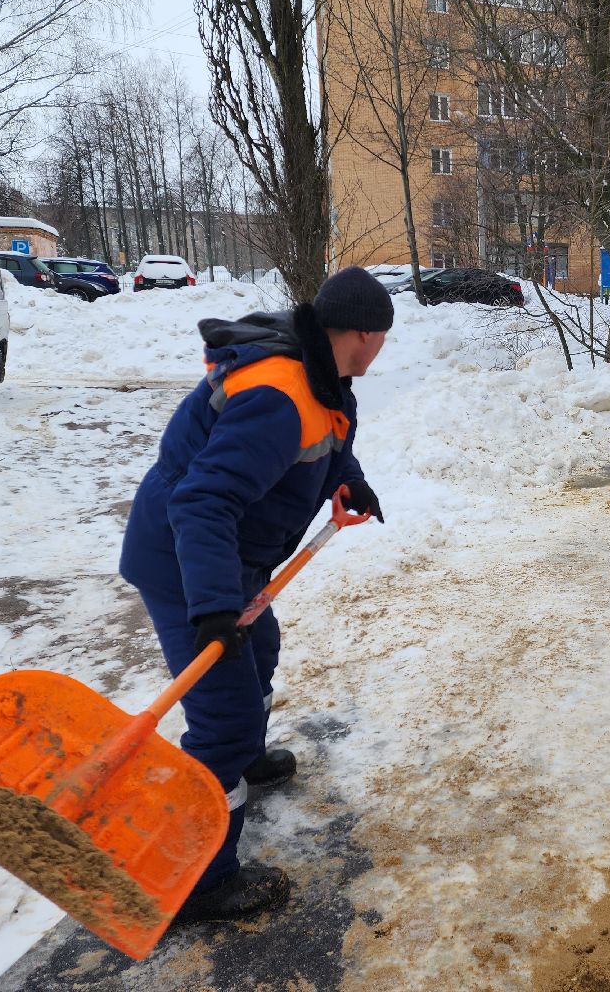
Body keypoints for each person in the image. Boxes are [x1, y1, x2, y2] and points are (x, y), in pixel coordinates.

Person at [119, 265, 391, 923]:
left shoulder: (316, 371)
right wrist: (212, 607)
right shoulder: (276, 395)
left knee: (260, 646)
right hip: (187, 562)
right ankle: (201, 880)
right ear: (363, 335)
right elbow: (204, 500)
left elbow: (324, 434)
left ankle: (242, 760)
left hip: (227, 558)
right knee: (223, 714)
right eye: (381, 338)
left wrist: (345, 479)